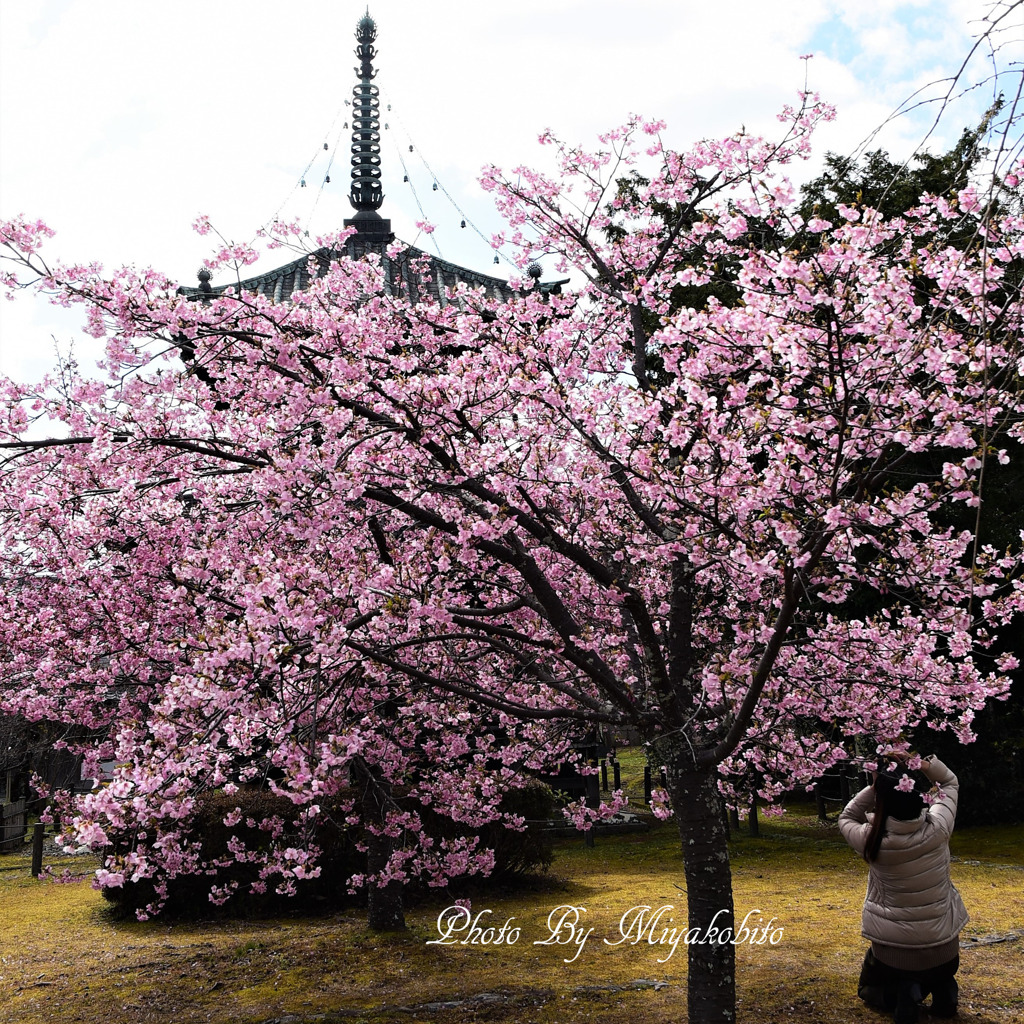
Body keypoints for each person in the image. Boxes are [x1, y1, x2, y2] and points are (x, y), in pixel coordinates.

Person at [839, 753, 966, 1024]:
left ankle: (905, 994)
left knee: (868, 988)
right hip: (945, 951)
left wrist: (876, 786)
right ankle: (944, 989)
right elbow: (949, 783)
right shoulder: (939, 828)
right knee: (936, 971)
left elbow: (847, 816)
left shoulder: (871, 840)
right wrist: (922, 763)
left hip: (894, 956)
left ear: (880, 800)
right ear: (916, 795)